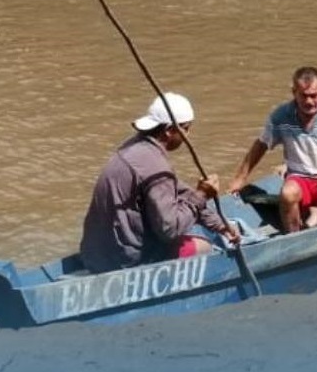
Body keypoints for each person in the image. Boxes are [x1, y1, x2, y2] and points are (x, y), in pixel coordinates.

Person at [79, 92, 240, 274]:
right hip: (124, 261)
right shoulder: (155, 166)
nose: (188, 135)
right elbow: (170, 229)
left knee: (190, 217)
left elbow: (180, 192)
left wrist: (219, 224)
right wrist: (202, 195)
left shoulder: (134, 147)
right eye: (186, 128)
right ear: (170, 130)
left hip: (94, 255)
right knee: (201, 246)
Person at [228, 66, 317, 233]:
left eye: (313, 95)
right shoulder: (280, 115)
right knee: (287, 193)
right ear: (294, 92)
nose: (309, 101)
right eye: (303, 95)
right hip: (299, 177)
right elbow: (261, 145)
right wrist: (240, 178)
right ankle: (293, 237)